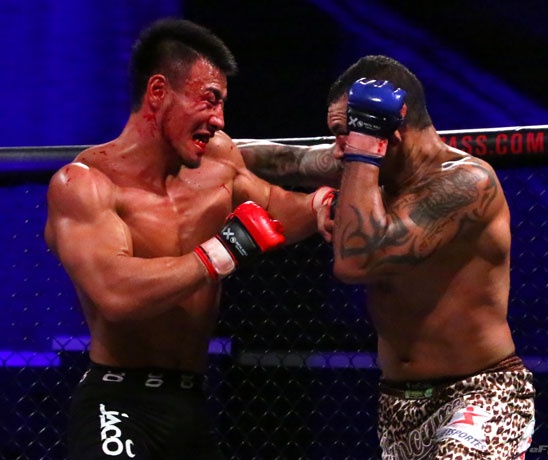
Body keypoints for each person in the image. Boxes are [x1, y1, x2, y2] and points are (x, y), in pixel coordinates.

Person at [44, 18, 335, 460]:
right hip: (119, 401)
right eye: (209, 100)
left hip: (191, 402)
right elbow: (116, 293)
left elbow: (273, 209)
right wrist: (221, 252)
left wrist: (321, 205)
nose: (218, 120)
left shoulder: (217, 161)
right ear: (158, 92)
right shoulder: (85, 183)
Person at [238, 55, 536, 460]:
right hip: (398, 403)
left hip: (480, 392)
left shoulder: (468, 183)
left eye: (346, 134)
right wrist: (197, 144)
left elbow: (357, 263)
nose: (339, 151)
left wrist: (362, 153)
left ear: (390, 130)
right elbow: (284, 159)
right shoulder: (365, 167)